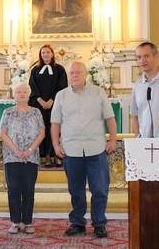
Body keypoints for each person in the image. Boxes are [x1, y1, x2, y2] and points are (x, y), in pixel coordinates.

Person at [50, 61, 116, 238]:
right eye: (71, 73)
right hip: (72, 152)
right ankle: (78, 222)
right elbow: (55, 123)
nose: (74, 76)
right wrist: (56, 145)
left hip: (96, 150)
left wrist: (113, 140)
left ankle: (99, 223)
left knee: (100, 190)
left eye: (78, 72)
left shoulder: (98, 93)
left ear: (85, 74)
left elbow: (110, 118)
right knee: (76, 190)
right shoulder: (61, 96)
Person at [0, 82, 45, 234]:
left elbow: (41, 133)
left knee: (28, 190)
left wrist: (29, 150)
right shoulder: (8, 112)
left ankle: (27, 222)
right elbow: (3, 134)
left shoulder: (36, 112)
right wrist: (18, 151)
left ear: (29, 94)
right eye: (18, 91)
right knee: (13, 190)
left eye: (24, 91)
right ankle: (15, 222)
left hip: (31, 156)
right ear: (14, 95)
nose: (21, 94)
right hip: (12, 156)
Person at [29, 44, 67, 168]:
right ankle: (46, 157)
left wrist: (52, 100)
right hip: (39, 106)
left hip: (55, 105)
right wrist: (40, 100)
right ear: (40, 55)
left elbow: (62, 87)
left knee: (54, 129)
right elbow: (32, 87)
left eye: (47, 52)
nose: (45, 54)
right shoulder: (35, 70)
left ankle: (56, 156)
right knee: (42, 129)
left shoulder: (59, 69)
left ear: (52, 54)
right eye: (43, 53)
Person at [130, 41, 159, 138]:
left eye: (146, 56)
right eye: (139, 57)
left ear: (156, 56)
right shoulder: (137, 86)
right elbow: (135, 117)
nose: (142, 61)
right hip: (144, 144)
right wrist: (138, 139)